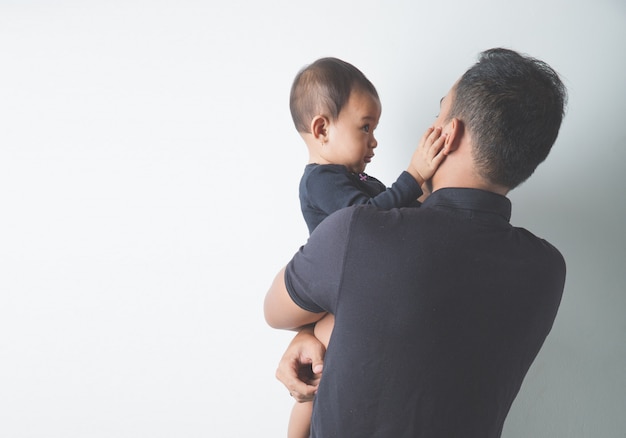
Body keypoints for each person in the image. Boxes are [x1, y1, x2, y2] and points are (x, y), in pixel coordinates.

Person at [264, 47, 568, 437]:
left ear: (449, 132)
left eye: (438, 112)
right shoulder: (547, 271)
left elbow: (275, 311)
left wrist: (309, 334)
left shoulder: (361, 231)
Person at [285, 57, 446, 438]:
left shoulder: (355, 178)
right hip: (334, 296)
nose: (374, 141)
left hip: (351, 291)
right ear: (322, 128)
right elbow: (367, 220)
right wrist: (415, 175)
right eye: (365, 127)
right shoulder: (321, 181)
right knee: (311, 386)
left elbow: (394, 213)